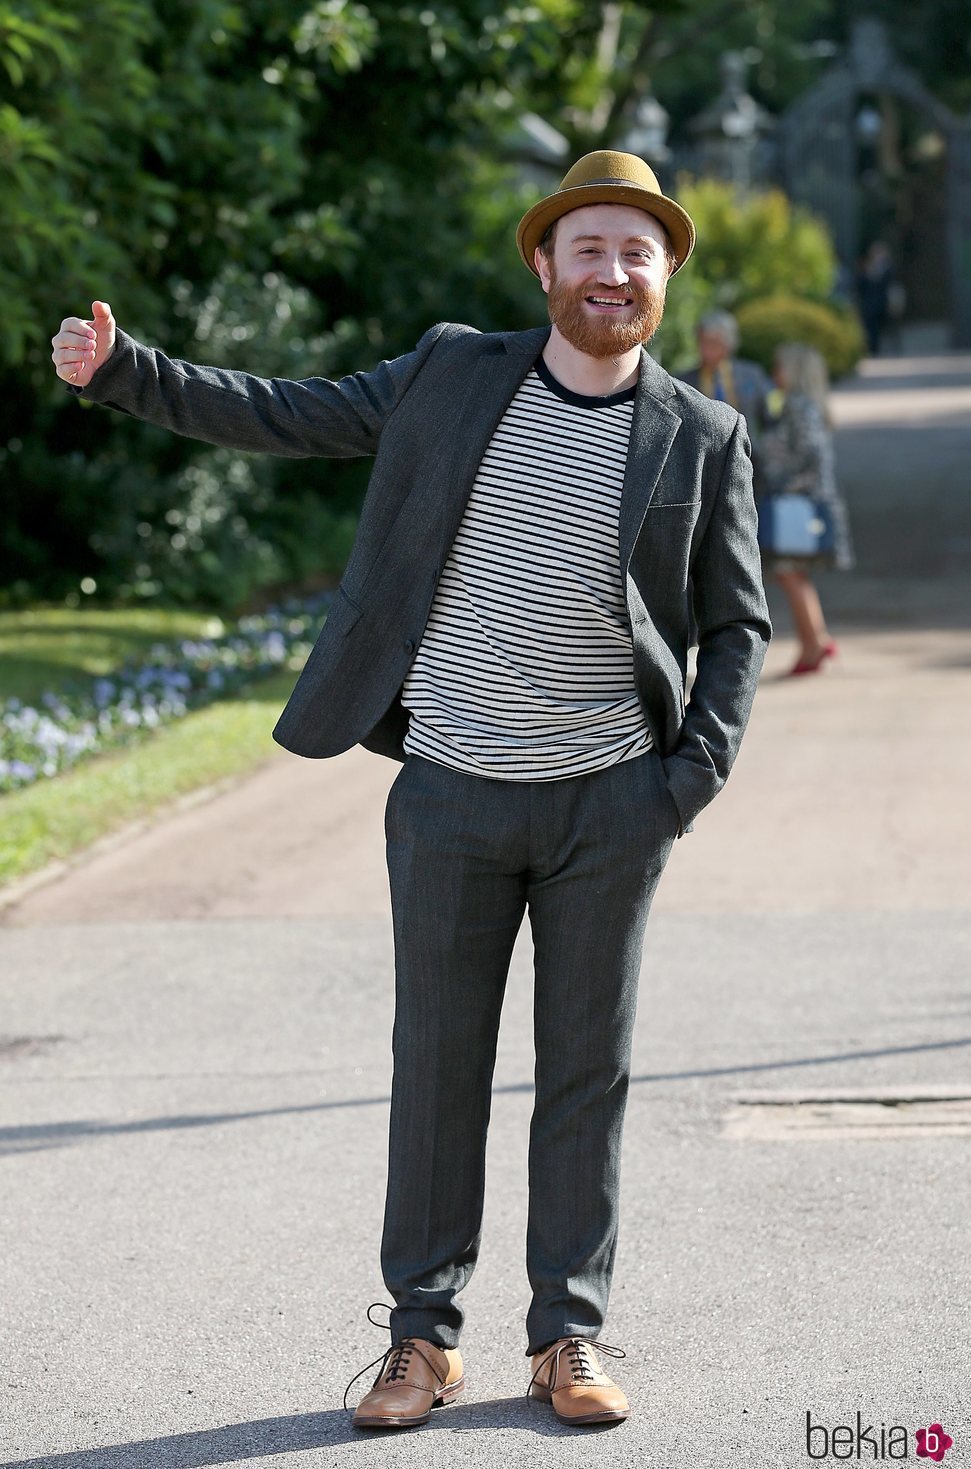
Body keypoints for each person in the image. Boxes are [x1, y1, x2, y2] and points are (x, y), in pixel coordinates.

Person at [51, 150, 771, 1430]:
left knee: (583, 1072)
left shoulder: (701, 433)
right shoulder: (451, 375)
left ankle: (569, 1335)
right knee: (436, 1065)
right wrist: (128, 373)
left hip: (609, 806)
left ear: (665, 276)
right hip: (447, 794)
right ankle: (420, 1340)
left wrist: (680, 784)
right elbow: (288, 412)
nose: (613, 272)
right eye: (589, 248)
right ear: (543, 264)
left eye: (637, 252)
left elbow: (736, 625)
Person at [755, 342, 854, 676]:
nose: (775, 374)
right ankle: (815, 640)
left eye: (780, 367)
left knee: (789, 572)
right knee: (795, 574)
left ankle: (814, 645)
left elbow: (810, 454)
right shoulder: (804, 404)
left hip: (796, 502)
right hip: (802, 501)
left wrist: (785, 483)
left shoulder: (799, 405)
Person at [676, 309, 777, 442]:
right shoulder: (683, 381)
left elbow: (771, 419)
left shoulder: (752, 375)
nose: (705, 350)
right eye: (702, 342)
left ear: (728, 344)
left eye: (713, 343)